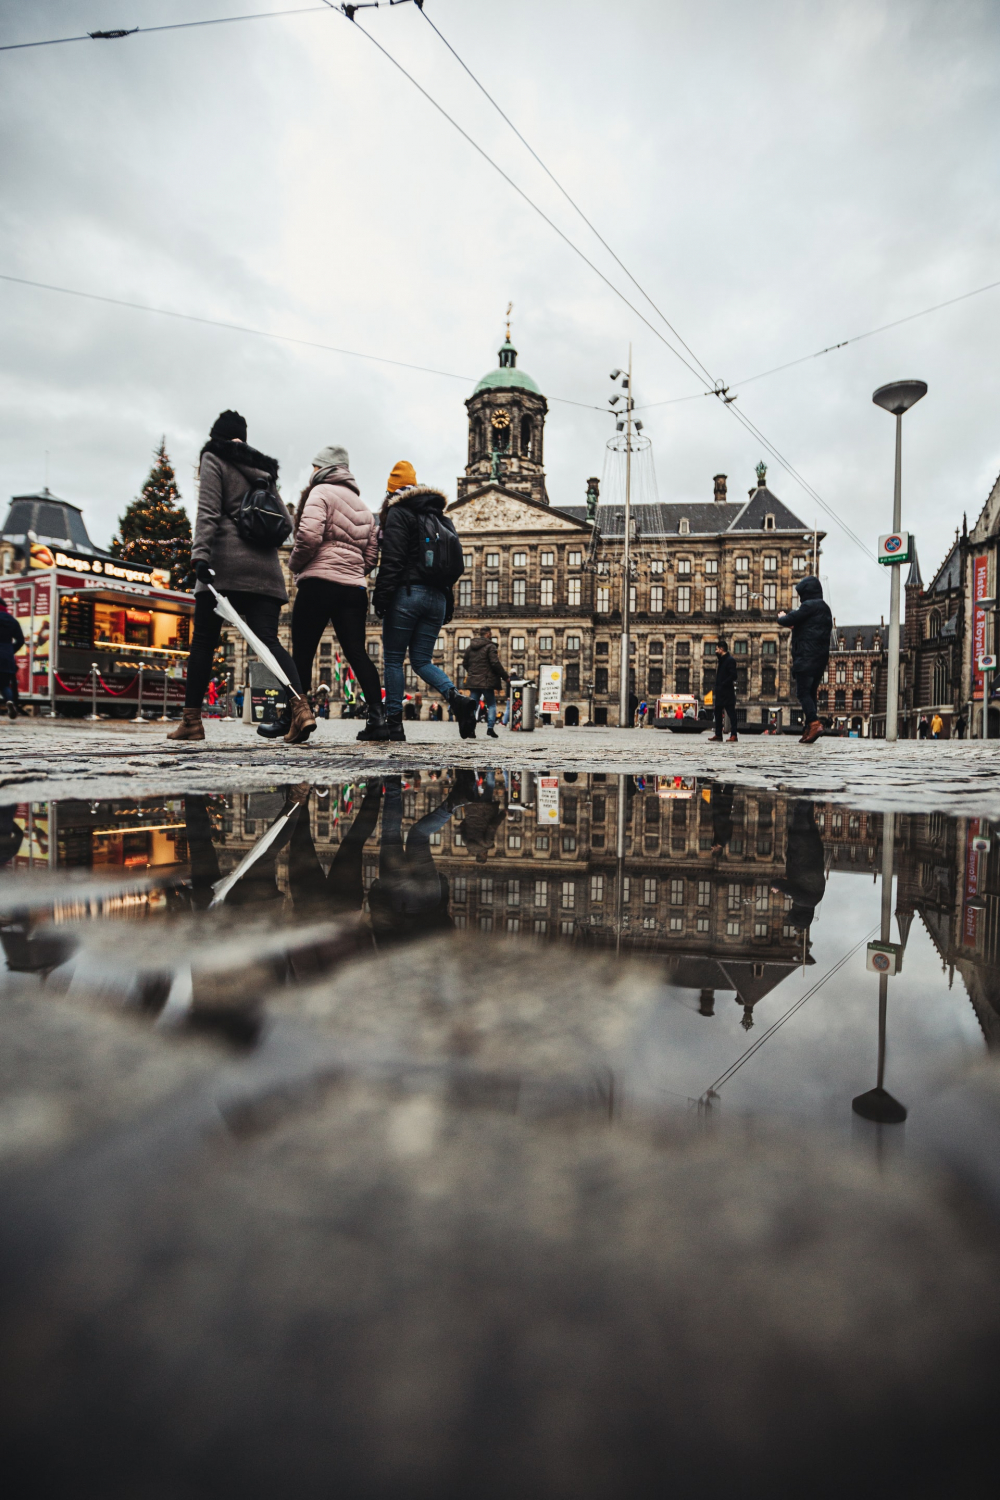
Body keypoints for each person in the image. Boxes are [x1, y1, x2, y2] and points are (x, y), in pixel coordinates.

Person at [171, 410, 314, 745]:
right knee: (269, 641)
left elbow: (207, 511)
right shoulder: (264, 470)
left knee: (204, 641)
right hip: (265, 571)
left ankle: (191, 722)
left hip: (223, 567)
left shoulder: (214, 457)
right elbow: (286, 526)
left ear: (217, 436)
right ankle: (301, 709)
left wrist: (200, 556)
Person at [372, 461, 477, 742]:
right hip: (437, 599)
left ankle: (394, 723)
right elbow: (451, 567)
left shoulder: (399, 512)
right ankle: (456, 698)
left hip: (408, 595)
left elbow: (392, 561)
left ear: (392, 491)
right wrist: (448, 604)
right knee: (421, 660)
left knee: (394, 659)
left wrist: (381, 599)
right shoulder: (443, 518)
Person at [288, 445, 386, 743]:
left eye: (315, 467)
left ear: (323, 468)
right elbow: (371, 557)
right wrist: (354, 571)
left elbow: (307, 536)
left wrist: (296, 566)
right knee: (357, 653)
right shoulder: (364, 508)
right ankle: (379, 719)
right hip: (354, 589)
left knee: (302, 653)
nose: (313, 472)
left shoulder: (320, 493)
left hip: (318, 582)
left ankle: (297, 718)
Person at [777, 576, 833, 746]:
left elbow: (786, 620)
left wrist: (782, 616)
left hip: (806, 657)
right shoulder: (824, 608)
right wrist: (798, 625)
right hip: (820, 658)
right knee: (811, 693)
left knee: (802, 692)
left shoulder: (809, 605)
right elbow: (812, 627)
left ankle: (815, 724)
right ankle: (808, 728)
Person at [462, 628, 509, 740]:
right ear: (488, 634)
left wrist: (472, 673)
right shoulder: (490, 646)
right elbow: (495, 663)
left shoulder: (470, 647)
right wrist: (505, 676)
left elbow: (464, 663)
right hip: (487, 682)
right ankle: (490, 728)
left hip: (474, 682)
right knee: (491, 704)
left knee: (473, 706)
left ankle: (471, 730)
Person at [0, 598, 25, 721]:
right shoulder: (12, 620)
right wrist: (10, 650)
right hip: (6, 657)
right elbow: (20, 640)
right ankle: (10, 701)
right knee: (4, 685)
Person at [709, 641, 739, 743]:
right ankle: (718, 734)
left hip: (727, 693)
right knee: (717, 713)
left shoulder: (730, 660)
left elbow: (734, 675)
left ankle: (734, 735)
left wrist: (723, 683)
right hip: (720, 692)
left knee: (731, 714)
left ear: (721, 649)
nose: (715, 651)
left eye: (716, 649)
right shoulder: (721, 660)